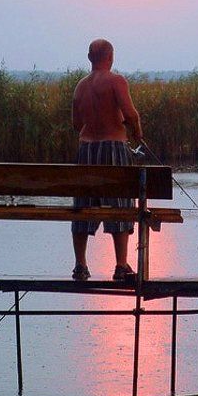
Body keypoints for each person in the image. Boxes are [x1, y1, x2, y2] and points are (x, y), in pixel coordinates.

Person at [70, 38, 144, 281]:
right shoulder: (116, 81)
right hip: (113, 147)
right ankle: (121, 265)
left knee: (83, 205)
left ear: (89, 58)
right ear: (110, 57)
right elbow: (131, 113)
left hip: (86, 150)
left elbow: (76, 124)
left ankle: (80, 265)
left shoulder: (80, 86)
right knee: (120, 204)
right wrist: (137, 131)